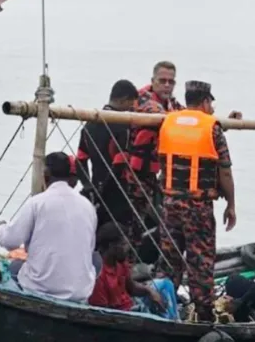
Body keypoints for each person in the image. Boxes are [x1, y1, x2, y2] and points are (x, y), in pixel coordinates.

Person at [154, 80, 237, 322]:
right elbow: (225, 171)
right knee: (200, 263)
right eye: (210, 103)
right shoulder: (212, 127)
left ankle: (161, 311)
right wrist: (231, 204)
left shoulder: (168, 121)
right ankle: (203, 316)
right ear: (205, 102)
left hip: (169, 204)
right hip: (198, 207)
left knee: (169, 261)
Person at [0, 152, 97, 302]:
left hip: (41, 289)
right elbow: (90, 247)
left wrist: (0, 228)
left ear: (46, 174)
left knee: (14, 266)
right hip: (80, 292)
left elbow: (11, 240)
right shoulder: (88, 207)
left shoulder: (37, 203)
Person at [121, 61, 185, 255]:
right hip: (133, 175)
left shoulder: (172, 104)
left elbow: (191, 115)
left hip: (155, 174)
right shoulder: (143, 99)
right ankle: (127, 262)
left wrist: (219, 117)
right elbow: (157, 113)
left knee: (166, 220)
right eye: (162, 81)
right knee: (133, 222)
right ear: (153, 81)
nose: (167, 85)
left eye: (171, 82)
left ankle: (150, 259)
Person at [76, 79, 139, 229]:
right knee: (118, 237)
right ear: (124, 100)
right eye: (131, 105)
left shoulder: (90, 124)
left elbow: (80, 160)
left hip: (95, 187)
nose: (131, 110)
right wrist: (104, 192)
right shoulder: (122, 125)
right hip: (117, 193)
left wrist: (88, 186)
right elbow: (119, 164)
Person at [88, 222, 179, 319]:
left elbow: (131, 287)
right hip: (122, 316)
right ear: (111, 246)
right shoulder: (99, 274)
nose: (127, 248)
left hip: (131, 305)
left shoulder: (119, 262)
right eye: (123, 244)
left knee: (166, 284)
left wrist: (149, 291)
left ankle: (173, 320)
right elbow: (102, 313)